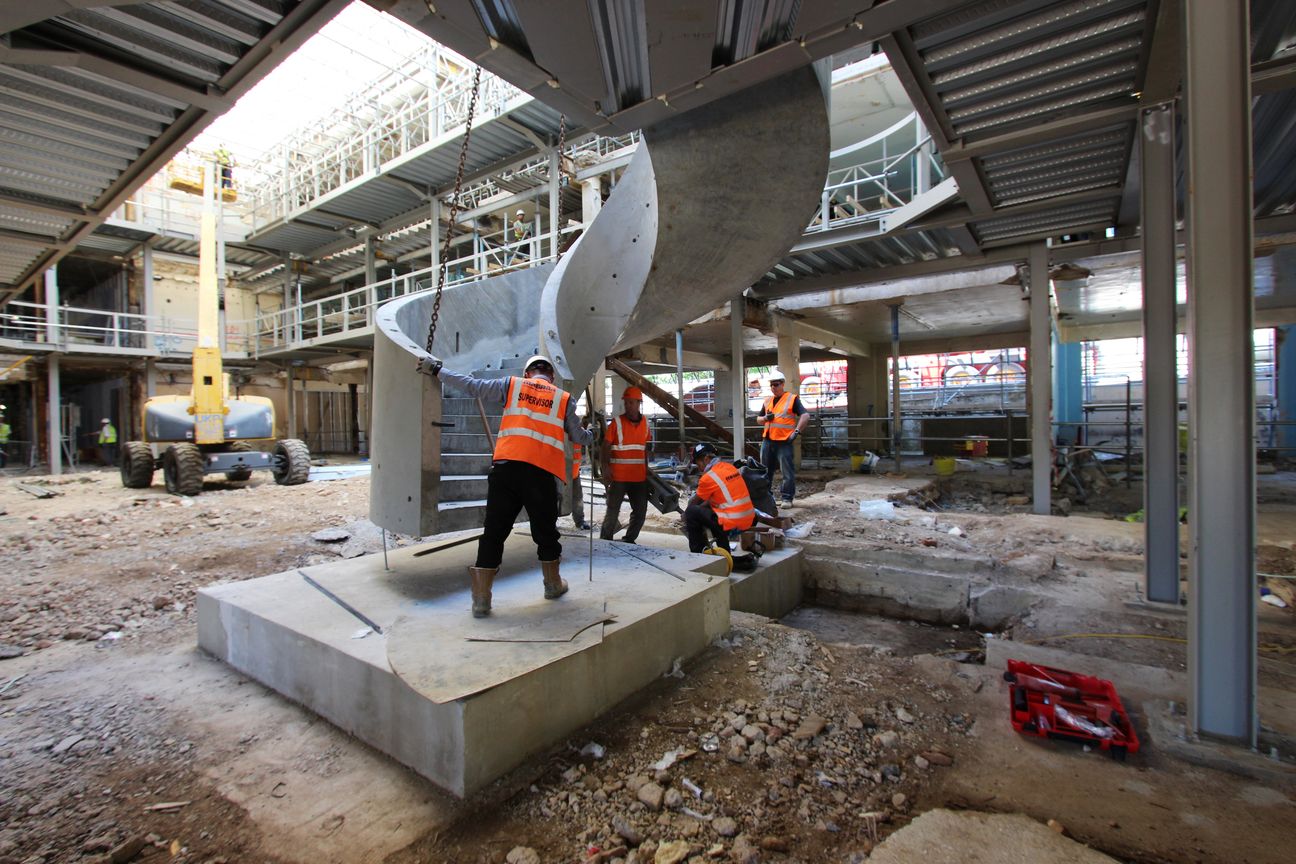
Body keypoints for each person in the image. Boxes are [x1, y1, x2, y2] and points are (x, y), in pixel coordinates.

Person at [416, 350, 592, 618]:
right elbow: (578, 436)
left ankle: (481, 600)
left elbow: (471, 386)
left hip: (506, 471)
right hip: (540, 474)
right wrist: (594, 434)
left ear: (527, 373)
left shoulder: (511, 385)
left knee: (494, 532)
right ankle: (552, 585)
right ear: (552, 376)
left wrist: (438, 371)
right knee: (545, 532)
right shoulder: (563, 399)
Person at [599, 386, 652, 543]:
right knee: (613, 510)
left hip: (639, 477)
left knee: (640, 511)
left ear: (638, 403)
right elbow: (605, 446)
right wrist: (605, 467)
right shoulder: (616, 423)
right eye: (626, 403)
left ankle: (629, 539)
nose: (628, 405)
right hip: (619, 477)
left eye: (631, 402)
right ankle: (605, 540)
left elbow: (644, 449)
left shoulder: (646, 423)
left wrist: (647, 471)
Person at [683, 442, 754, 555]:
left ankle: (698, 553)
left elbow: (693, 503)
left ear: (706, 459)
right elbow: (715, 499)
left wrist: (685, 516)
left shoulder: (708, 477)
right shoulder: (730, 467)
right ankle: (725, 551)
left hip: (732, 523)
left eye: (698, 463)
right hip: (748, 519)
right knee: (712, 513)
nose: (699, 468)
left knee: (692, 512)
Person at [757, 369, 810, 509]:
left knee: (787, 471)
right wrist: (764, 418)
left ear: (782, 384)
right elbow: (758, 419)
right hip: (768, 441)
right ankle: (766, 498)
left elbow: (805, 416)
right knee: (765, 471)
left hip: (784, 442)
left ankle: (787, 498)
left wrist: (797, 431)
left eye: (776, 384)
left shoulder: (792, 399)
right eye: (771, 385)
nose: (773, 387)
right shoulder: (767, 400)